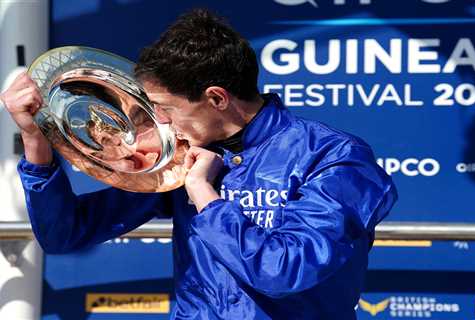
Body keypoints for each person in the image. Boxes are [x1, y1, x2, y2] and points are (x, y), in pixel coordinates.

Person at [0, 9, 397, 320]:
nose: (162, 122)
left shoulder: (335, 157)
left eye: (167, 109)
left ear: (217, 98)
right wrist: (36, 139)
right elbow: (65, 234)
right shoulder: (182, 156)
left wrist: (205, 195)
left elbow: (285, 271)